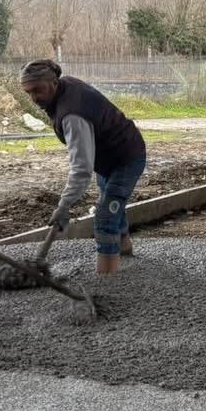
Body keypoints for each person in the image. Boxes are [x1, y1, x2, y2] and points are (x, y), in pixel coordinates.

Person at [18, 59, 147, 276]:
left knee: (106, 215)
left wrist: (64, 205)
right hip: (108, 157)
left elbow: (81, 167)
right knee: (111, 199)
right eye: (28, 92)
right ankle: (124, 251)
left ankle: (108, 277)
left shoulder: (72, 115)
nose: (33, 98)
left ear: (53, 83)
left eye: (38, 90)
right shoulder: (64, 88)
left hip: (125, 156)